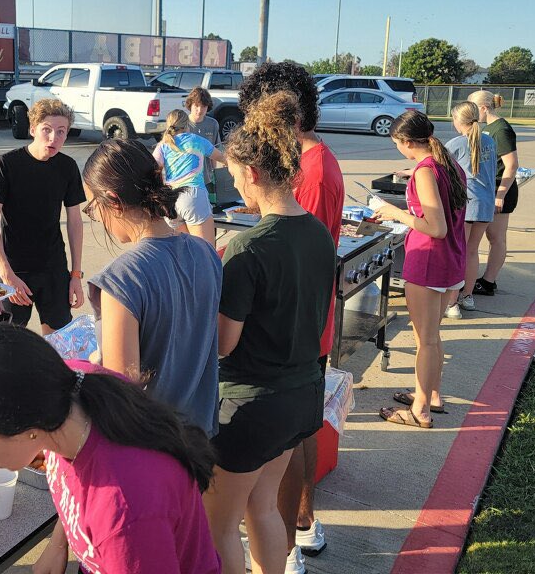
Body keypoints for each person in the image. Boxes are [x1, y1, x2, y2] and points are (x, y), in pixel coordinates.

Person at [0, 323, 222, 574]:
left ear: (25, 427)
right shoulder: (66, 391)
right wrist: (58, 544)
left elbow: (118, 525)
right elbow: (74, 491)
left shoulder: (125, 515)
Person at [203, 92, 336, 574]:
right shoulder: (318, 234)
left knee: (218, 524)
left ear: (254, 174)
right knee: (262, 507)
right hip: (301, 394)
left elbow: (223, 343)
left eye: (236, 176)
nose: (235, 185)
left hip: (250, 404)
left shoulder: (247, 248)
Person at [238, 60, 344, 561]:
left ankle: (296, 528)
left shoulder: (316, 170)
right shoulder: (306, 164)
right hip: (299, 322)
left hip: (298, 328)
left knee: (295, 431)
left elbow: (298, 248)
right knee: (295, 427)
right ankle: (291, 525)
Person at [82, 138, 222, 436]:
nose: (96, 217)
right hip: (200, 437)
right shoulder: (206, 252)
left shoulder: (121, 279)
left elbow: (123, 391)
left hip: (151, 445)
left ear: (113, 200)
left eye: (93, 207)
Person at [373, 110, 466, 427]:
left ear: (404, 141)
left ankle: (421, 411)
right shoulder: (447, 163)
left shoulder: (425, 172)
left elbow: (435, 227)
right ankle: (431, 395)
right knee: (432, 336)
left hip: (428, 261)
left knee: (424, 341)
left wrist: (394, 212)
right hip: (450, 260)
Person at [0, 99, 85, 334]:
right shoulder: (6, 165)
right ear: (32, 129)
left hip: (53, 269)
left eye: (61, 132)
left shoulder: (67, 167)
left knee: (58, 344)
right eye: (46, 130)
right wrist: (6, 275)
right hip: (14, 269)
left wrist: (75, 276)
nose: (53, 138)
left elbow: (75, 222)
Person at [445, 101, 497, 316]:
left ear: (459, 120)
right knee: (472, 252)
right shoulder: (489, 141)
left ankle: (451, 303)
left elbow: (437, 168)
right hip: (485, 202)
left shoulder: (457, 143)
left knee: (458, 252)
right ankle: (467, 296)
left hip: (466, 204)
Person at [467, 90, 520, 297]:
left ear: (483, 108)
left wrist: (500, 194)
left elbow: (512, 165)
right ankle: (484, 279)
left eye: (473, 109)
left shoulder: (501, 130)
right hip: (488, 189)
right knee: (488, 236)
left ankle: (488, 282)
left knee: (496, 238)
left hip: (500, 191)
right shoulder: (488, 128)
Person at [153, 109, 226, 246]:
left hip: (171, 201)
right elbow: (222, 157)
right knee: (206, 251)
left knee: (184, 252)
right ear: (187, 125)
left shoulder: (162, 145)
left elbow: (153, 169)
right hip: (193, 195)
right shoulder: (196, 140)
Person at [185, 86, 222, 202]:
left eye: (203, 106)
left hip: (206, 179)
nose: (199, 110)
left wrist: (214, 175)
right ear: (190, 105)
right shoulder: (182, 125)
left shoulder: (213, 124)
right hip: (185, 179)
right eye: (196, 105)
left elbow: (216, 154)